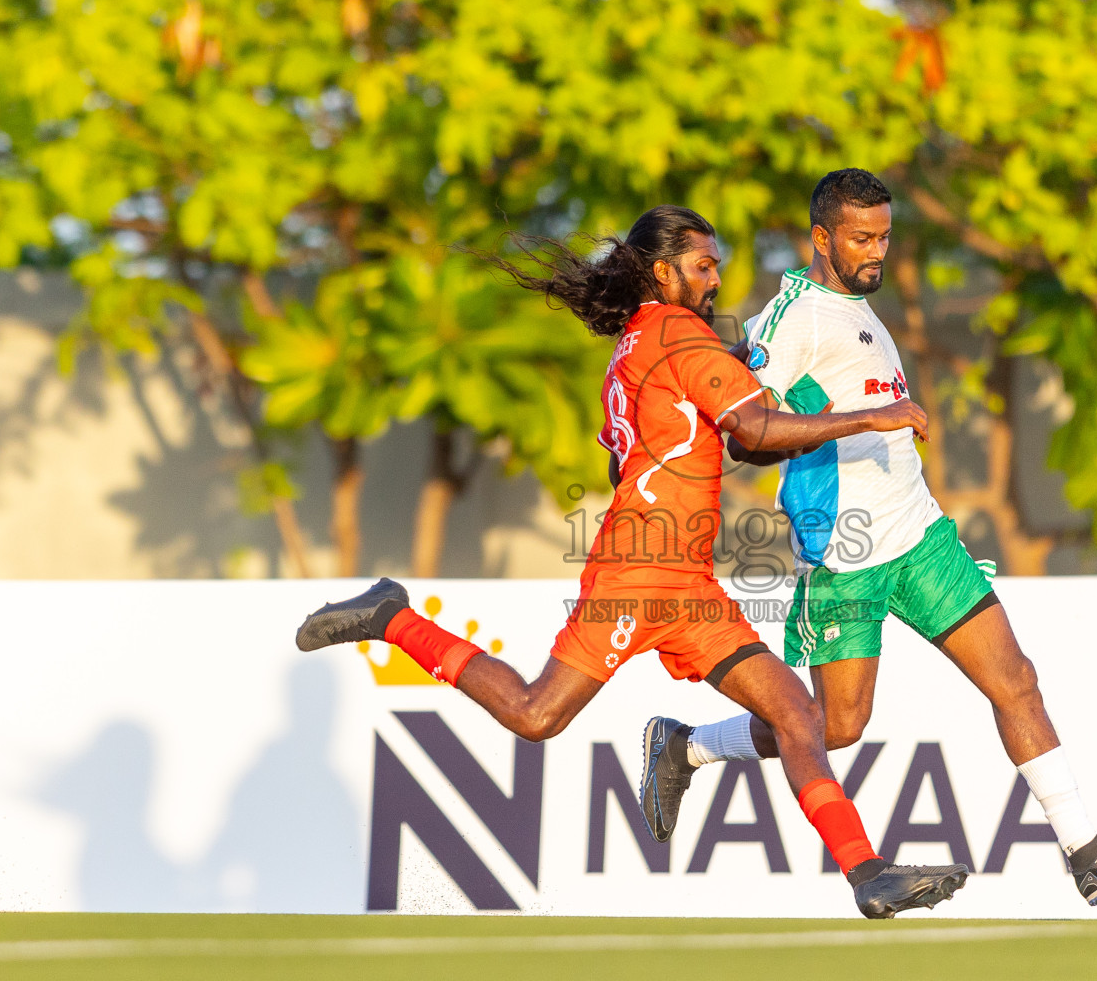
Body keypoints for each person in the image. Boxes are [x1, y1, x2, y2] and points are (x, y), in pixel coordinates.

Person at [295, 205, 968, 918]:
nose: (714, 280)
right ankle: (394, 618)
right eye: (704, 266)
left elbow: (629, 460)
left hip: (686, 585)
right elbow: (757, 429)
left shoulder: (637, 341)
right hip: (636, 576)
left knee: (798, 714)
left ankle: (867, 874)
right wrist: (868, 416)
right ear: (662, 270)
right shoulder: (678, 332)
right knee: (536, 714)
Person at [640, 174, 1097, 907]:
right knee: (837, 726)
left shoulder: (860, 310)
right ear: (822, 239)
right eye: (861, 238)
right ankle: (687, 746)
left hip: (922, 539)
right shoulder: (789, 320)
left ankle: (1087, 852)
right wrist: (866, 420)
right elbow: (746, 440)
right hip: (846, 556)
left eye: (884, 236)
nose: (875, 251)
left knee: (1014, 678)